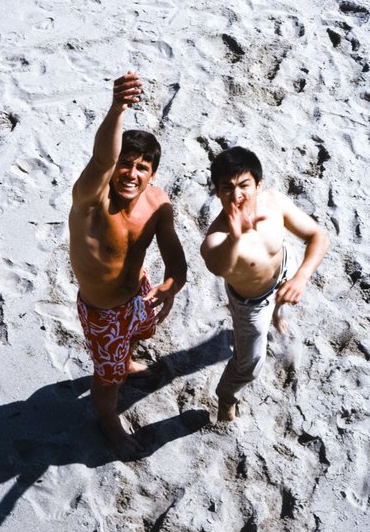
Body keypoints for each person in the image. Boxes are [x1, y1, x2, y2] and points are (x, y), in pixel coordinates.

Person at [69, 71, 187, 457]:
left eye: (142, 168)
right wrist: (118, 107)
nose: (131, 174)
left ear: (152, 174)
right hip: (102, 312)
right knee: (107, 379)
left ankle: (129, 357)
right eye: (126, 164)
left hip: (137, 293)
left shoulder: (157, 203)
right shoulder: (91, 200)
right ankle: (109, 422)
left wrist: (171, 286)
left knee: (140, 335)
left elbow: (174, 255)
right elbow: (102, 157)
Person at [200, 146, 329, 421]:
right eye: (227, 188)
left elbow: (318, 235)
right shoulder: (217, 237)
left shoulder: (274, 202)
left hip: (285, 268)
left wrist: (301, 276)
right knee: (248, 367)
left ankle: (279, 313)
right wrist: (235, 238)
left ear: (258, 185)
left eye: (244, 185)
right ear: (217, 192)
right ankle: (226, 398)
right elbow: (217, 266)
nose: (236, 196)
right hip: (252, 304)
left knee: (284, 299)